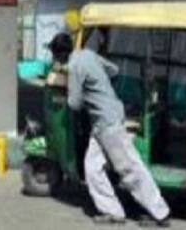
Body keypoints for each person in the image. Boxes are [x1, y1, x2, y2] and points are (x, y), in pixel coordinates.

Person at [48, 32, 171, 227]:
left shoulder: (74, 66)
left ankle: (160, 213)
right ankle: (112, 211)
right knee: (92, 168)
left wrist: (70, 85)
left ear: (59, 55)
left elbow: (74, 103)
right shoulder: (88, 54)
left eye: (54, 56)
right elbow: (114, 70)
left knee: (129, 168)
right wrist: (99, 86)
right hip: (104, 121)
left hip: (107, 123)